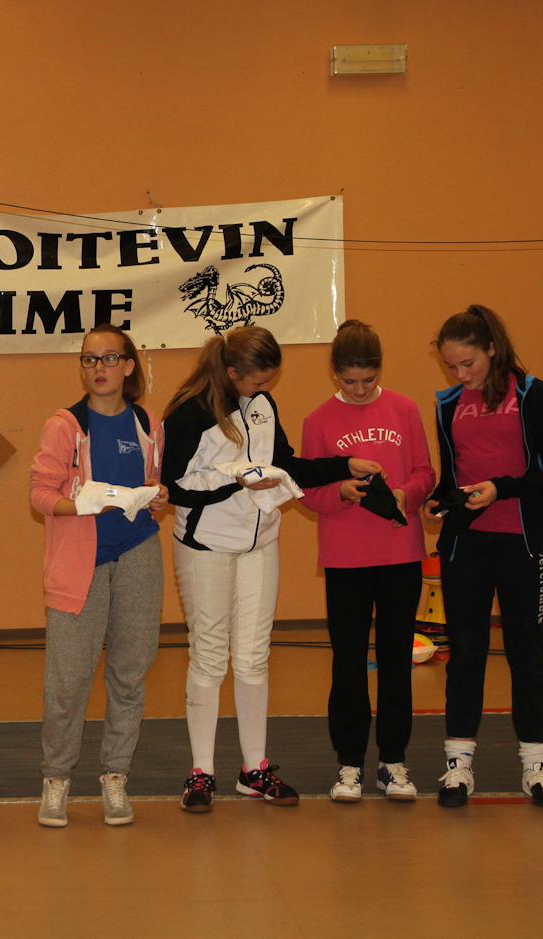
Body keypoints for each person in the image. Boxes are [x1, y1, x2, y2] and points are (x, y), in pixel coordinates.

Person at [162, 326, 379, 812]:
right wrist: (236, 482)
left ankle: (253, 769)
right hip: (206, 545)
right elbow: (173, 485)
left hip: (260, 544)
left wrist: (344, 465)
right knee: (209, 656)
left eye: (268, 383)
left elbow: (284, 463)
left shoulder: (261, 404)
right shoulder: (190, 411)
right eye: (258, 381)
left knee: (254, 656)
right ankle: (201, 772)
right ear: (230, 372)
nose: (264, 389)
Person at [424, 305, 543, 808]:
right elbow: (453, 473)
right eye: (451, 367)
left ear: (491, 348)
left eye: (468, 363)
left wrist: (501, 489)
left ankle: (536, 764)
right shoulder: (448, 404)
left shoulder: (531, 394)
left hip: (523, 540)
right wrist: (439, 501)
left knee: (526, 652)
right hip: (466, 544)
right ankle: (458, 764)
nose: (460, 374)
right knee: (465, 653)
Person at [29, 325, 168, 827]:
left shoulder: (148, 423)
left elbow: (152, 484)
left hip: (139, 554)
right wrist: (81, 505)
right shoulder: (65, 426)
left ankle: (115, 776)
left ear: (129, 366)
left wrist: (158, 495)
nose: (99, 368)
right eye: (89, 359)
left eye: (110, 358)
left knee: (129, 674)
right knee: (67, 681)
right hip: (79, 564)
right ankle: (56, 780)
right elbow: (40, 494)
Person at [300, 320, 435, 803]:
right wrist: (341, 491)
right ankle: (350, 763)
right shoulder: (318, 420)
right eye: (349, 380)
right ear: (334, 373)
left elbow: (425, 472)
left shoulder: (404, 409)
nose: (359, 389)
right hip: (346, 558)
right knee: (349, 662)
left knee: (397, 660)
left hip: (400, 554)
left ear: (380, 370)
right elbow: (309, 490)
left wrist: (406, 494)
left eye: (368, 379)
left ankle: (393, 761)